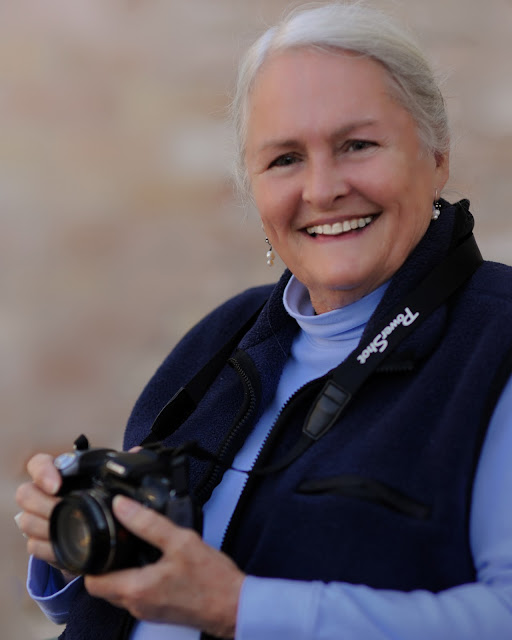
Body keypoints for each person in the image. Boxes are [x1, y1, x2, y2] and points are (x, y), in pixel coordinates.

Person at [14, 2, 512, 639]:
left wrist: (238, 608)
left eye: (357, 145)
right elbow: (156, 595)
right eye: (284, 160)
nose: (322, 189)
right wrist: (81, 541)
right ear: (252, 187)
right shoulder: (221, 337)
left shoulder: (497, 341)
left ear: (436, 156)